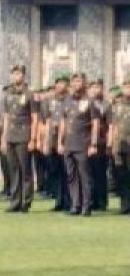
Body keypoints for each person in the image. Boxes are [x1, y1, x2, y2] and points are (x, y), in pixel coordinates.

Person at [58, 72, 99, 216]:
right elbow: (63, 122)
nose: (76, 84)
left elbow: (95, 123)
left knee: (84, 176)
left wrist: (93, 144)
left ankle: (86, 206)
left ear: (84, 83)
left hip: (83, 144)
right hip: (68, 144)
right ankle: (75, 205)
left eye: (79, 81)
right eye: (74, 81)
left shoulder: (90, 101)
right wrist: (60, 142)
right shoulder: (67, 101)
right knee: (71, 176)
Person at [0, 64, 37, 212]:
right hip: (11, 136)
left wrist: (33, 139)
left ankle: (26, 202)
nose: (16, 76)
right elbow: (6, 118)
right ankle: (15, 201)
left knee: (25, 170)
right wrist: (3, 137)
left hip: (24, 135)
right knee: (13, 170)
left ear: (23, 75)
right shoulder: (8, 94)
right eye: (14, 74)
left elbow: (34, 118)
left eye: (18, 74)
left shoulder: (29, 94)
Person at [41, 75, 71, 211]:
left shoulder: (71, 100)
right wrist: (46, 142)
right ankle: (59, 201)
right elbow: (47, 122)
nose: (61, 86)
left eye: (64, 83)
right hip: (53, 139)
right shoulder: (49, 101)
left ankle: (70, 202)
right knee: (55, 172)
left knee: (68, 172)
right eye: (59, 83)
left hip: (68, 140)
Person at [109, 82, 130, 214]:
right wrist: (111, 144)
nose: (128, 90)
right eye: (126, 87)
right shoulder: (117, 105)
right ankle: (125, 205)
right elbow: (113, 126)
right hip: (119, 145)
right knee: (122, 176)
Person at [89, 79, 110, 211]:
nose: (95, 90)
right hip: (88, 142)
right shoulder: (87, 103)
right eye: (93, 87)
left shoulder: (106, 105)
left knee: (100, 173)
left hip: (101, 142)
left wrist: (109, 143)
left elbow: (110, 126)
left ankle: (102, 201)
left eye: (98, 87)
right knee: (89, 173)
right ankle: (92, 200)